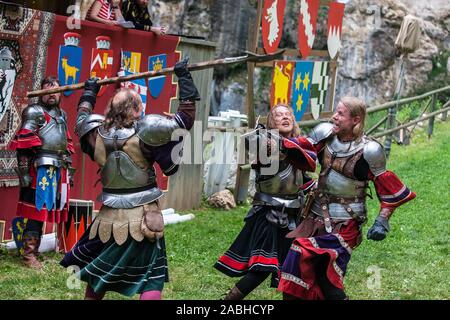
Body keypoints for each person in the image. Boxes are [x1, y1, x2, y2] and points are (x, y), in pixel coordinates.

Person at [60, 57, 200, 300]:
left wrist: (90, 92)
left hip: (108, 217)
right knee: (151, 278)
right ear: (136, 109)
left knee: (99, 273)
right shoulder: (147, 129)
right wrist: (184, 77)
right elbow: (184, 120)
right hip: (143, 216)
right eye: (140, 106)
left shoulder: (96, 134)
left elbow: (81, 119)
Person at [278, 96, 416, 300]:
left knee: (324, 274)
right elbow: (301, 152)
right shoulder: (326, 134)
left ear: (356, 120)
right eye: (336, 112)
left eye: (341, 114)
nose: (334, 116)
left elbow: (388, 189)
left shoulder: (369, 150)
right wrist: (276, 144)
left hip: (345, 222)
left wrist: (382, 220)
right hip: (314, 215)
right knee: (298, 270)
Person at [214, 104, 317, 300]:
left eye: (288, 115)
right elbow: (252, 146)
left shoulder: (299, 147)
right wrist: (262, 139)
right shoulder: (264, 143)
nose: (285, 117)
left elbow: (303, 170)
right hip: (268, 214)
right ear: (271, 122)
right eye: (279, 116)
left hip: (293, 217)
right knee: (263, 266)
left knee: (291, 269)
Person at [10, 76, 74, 269]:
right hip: (39, 169)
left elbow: (66, 145)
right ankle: (28, 255)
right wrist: (24, 173)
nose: (52, 95)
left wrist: (68, 171)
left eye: (55, 91)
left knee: (48, 210)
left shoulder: (62, 114)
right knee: (36, 211)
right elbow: (23, 145)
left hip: (58, 168)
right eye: (48, 91)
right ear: (41, 93)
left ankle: (35, 250)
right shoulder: (34, 112)